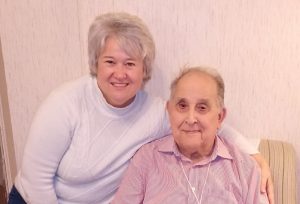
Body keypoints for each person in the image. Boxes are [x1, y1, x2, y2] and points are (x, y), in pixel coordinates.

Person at [8, 12, 273, 204]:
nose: (120, 73)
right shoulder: (64, 105)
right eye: (110, 61)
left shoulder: (157, 112)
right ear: (95, 64)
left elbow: (205, 124)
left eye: (131, 63)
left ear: (144, 69)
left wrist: (255, 156)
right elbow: (36, 182)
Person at [112, 66, 270, 204]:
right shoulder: (146, 159)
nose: (190, 118)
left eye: (202, 108)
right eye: (182, 106)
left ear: (220, 117)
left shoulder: (246, 169)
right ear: (169, 110)